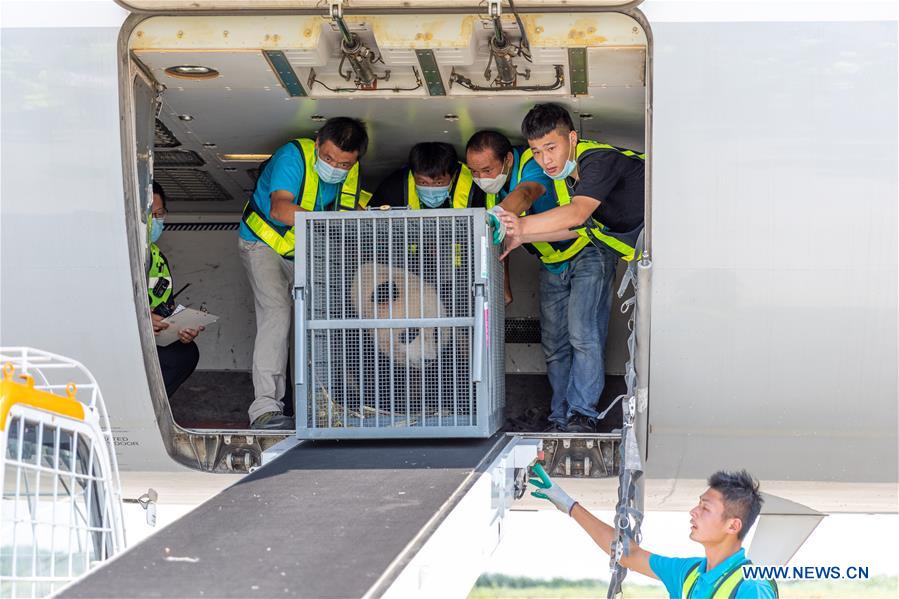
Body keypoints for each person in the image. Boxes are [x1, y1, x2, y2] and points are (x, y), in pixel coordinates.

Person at [496, 103, 645, 432]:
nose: (545, 160)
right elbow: (579, 227)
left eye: (551, 147)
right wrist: (522, 237)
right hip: (643, 257)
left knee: (583, 334)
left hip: (671, 249)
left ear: (572, 138)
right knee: (557, 342)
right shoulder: (571, 178)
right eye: (536, 152)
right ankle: (561, 417)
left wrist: (519, 226)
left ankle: (582, 416)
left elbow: (577, 216)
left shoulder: (597, 161)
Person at [239, 117, 370, 430]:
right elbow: (280, 210)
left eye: (344, 163)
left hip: (304, 250)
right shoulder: (292, 155)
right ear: (317, 144)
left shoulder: (351, 176)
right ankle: (265, 410)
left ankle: (318, 405)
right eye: (327, 158)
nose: (335, 166)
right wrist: (327, 225)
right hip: (262, 243)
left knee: (318, 319)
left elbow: (346, 217)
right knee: (277, 315)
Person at [530, 467, 778, 598]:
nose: (693, 511)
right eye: (698, 503)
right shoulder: (688, 574)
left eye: (705, 508)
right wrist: (569, 505)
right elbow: (627, 554)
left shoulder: (751, 587)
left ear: (733, 526)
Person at [465, 130, 554, 305]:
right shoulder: (493, 190)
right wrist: (503, 287)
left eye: (487, 170)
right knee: (552, 331)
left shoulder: (533, 162)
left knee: (582, 330)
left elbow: (525, 194)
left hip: (584, 250)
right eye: (473, 172)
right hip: (551, 262)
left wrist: (498, 213)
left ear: (508, 160)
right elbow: (500, 238)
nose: (481, 178)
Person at [148, 181, 202, 396]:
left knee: (184, 353)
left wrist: (181, 328)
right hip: (118, 340)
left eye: (159, 214)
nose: (154, 221)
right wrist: (140, 320)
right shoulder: (114, 253)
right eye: (148, 215)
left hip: (151, 338)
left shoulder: (157, 258)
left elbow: (164, 307)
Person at [370, 142, 481, 209]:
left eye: (438, 183)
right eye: (423, 182)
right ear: (413, 175)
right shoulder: (394, 186)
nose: (430, 190)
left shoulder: (475, 184)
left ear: (453, 175)